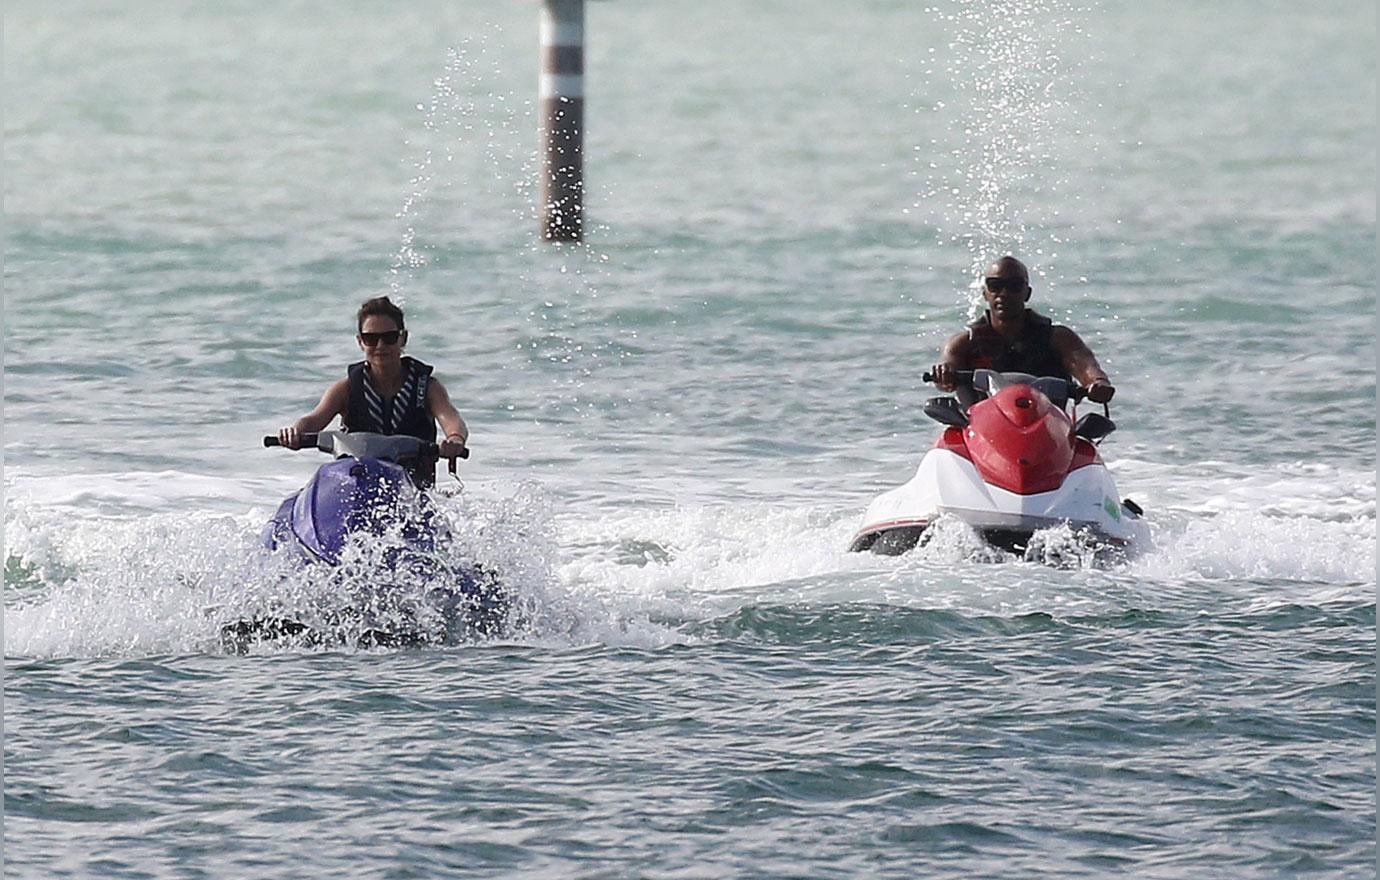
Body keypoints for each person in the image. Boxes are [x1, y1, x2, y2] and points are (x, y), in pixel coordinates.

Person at [277, 296, 468, 486]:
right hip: (356, 486)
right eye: (371, 339)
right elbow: (314, 420)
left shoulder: (427, 388)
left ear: (403, 338)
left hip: (411, 494)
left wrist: (454, 440)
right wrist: (295, 432)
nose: (380, 346)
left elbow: (452, 420)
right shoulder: (346, 389)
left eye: (389, 338)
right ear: (360, 342)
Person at [929, 255, 1116, 404]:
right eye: (995, 286)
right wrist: (944, 376)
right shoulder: (963, 344)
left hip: (1046, 429)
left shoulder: (1058, 338)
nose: (1004, 294)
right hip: (982, 432)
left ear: (1027, 293)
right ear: (985, 293)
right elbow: (947, 370)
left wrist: (1098, 383)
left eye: (1014, 286)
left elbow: (1087, 367)